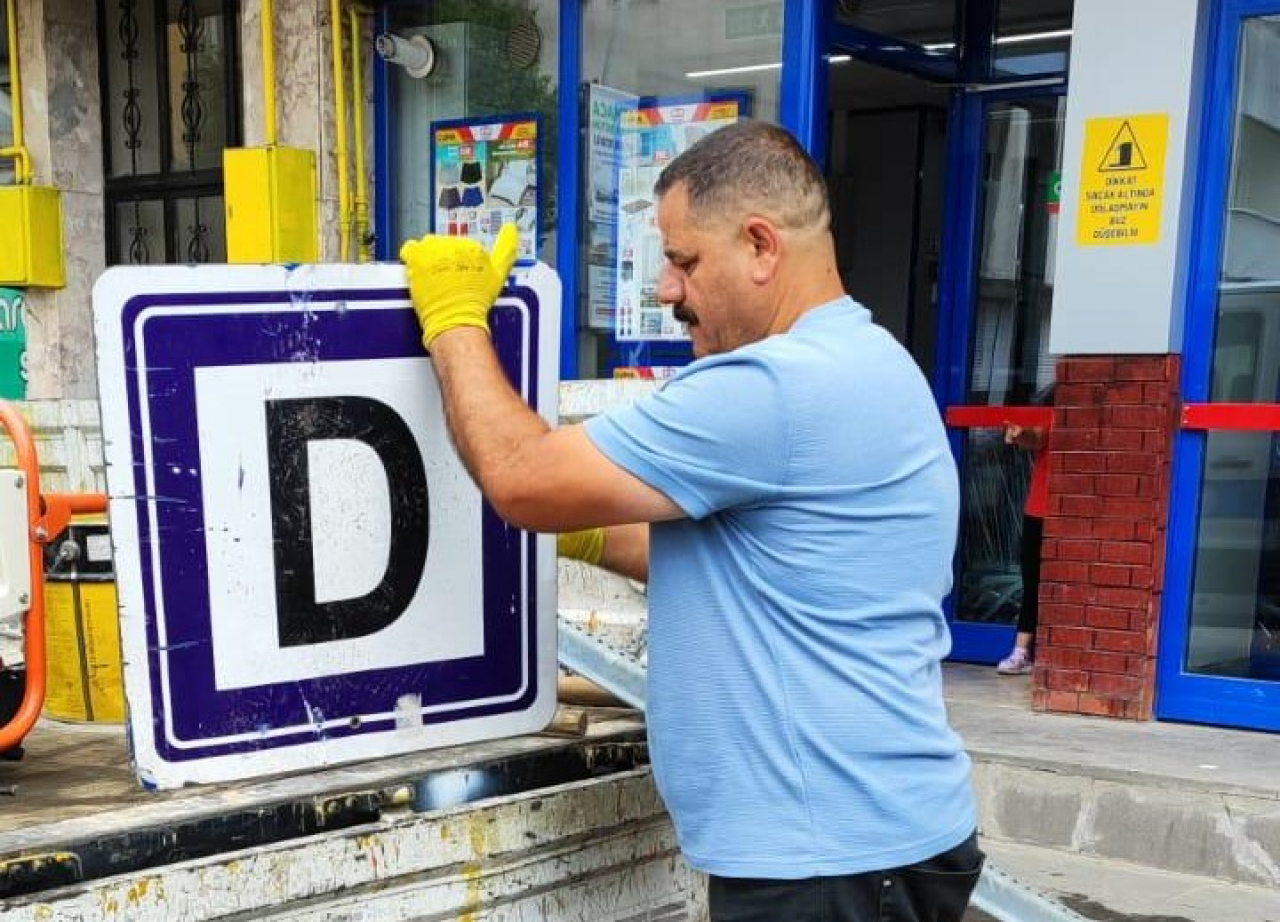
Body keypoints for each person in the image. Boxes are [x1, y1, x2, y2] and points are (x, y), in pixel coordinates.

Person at [400, 119, 982, 922]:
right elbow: (755, 561)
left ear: (760, 246)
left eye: (682, 261)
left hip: (831, 866)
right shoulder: (870, 359)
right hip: (868, 847)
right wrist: (594, 530)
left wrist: (455, 326)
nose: (668, 290)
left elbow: (522, 481)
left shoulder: (774, 388)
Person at [996, 397, 1054, 677]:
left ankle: (1034, 651)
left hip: (1063, 512)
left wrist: (1026, 435)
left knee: (1050, 583)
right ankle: (1022, 651)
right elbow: (1037, 437)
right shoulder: (1050, 408)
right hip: (1039, 509)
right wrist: (1021, 434)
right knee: (1032, 580)